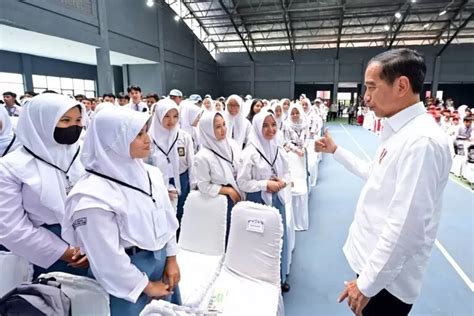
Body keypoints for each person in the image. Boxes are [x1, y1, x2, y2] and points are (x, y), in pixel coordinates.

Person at [316, 48, 452, 316]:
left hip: (387, 281)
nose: (365, 98)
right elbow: (375, 174)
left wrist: (366, 285)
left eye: (371, 88)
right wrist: (336, 151)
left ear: (401, 85)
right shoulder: (399, 131)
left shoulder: (421, 142)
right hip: (376, 267)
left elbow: (407, 229)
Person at [63, 107, 181, 316]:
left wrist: (171, 258)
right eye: (138, 134)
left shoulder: (151, 174)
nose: (148, 139)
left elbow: (165, 218)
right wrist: (146, 287)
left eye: (146, 131)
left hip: (159, 261)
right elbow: (107, 258)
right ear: (114, 141)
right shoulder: (92, 196)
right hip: (125, 277)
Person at [0, 94, 88, 277]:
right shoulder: (11, 166)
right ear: (41, 122)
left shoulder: (85, 154)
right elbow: (11, 227)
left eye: (78, 120)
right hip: (47, 251)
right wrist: (67, 253)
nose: (75, 126)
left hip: (94, 240)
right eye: (65, 120)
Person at [237, 110, 291, 292]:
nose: (270, 129)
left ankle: (280, 277)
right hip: (257, 202)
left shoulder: (278, 148)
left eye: (273, 124)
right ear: (257, 128)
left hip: (278, 201)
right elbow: (242, 183)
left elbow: (288, 173)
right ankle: (262, 280)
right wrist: (264, 184)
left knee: (279, 238)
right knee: (261, 243)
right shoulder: (250, 153)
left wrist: (282, 182)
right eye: (265, 126)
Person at [194, 110, 242, 245]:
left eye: (224, 124)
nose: (223, 130)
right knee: (226, 236)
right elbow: (203, 186)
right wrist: (228, 191)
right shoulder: (202, 156)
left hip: (240, 192)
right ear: (207, 130)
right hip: (222, 200)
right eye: (218, 127)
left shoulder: (233, 144)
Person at [149, 99, 195, 225]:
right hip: (158, 182)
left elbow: (191, 163)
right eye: (167, 116)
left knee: (182, 212)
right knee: (163, 214)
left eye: (175, 116)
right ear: (158, 116)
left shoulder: (184, 137)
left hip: (182, 179)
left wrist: (193, 185)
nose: (171, 120)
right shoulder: (150, 139)